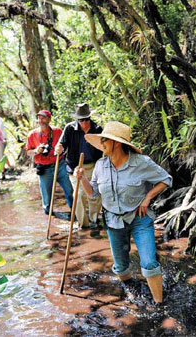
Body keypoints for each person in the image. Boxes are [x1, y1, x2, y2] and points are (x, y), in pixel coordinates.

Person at [74, 121, 172, 305]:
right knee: (120, 267)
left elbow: (166, 179)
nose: (101, 143)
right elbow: (93, 193)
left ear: (116, 143)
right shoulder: (100, 165)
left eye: (104, 140)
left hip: (139, 218)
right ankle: (132, 292)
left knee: (149, 263)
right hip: (113, 220)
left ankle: (160, 305)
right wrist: (82, 179)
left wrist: (147, 197)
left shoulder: (141, 163)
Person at [55, 103, 103, 230]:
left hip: (93, 166)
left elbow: (104, 147)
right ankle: (83, 224)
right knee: (79, 194)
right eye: (81, 120)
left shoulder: (97, 129)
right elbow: (62, 144)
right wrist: (59, 148)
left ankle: (94, 220)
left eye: (87, 119)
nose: (84, 123)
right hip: (75, 167)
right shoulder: (70, 128)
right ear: (77, 120)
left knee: (94, 194)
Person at [26, 110, 74, 215]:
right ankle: (49, 217)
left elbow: (66, 146)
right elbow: (28, 152)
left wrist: (61, 150)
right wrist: (36, 151)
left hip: (60, 164)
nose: (41, 120)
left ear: (49, 119)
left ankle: (74, 212)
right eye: (39, 118)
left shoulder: (57, 131)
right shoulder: (32, 135)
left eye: (43, 118)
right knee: (47, 198)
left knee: (70, 190)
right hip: (44, 168)